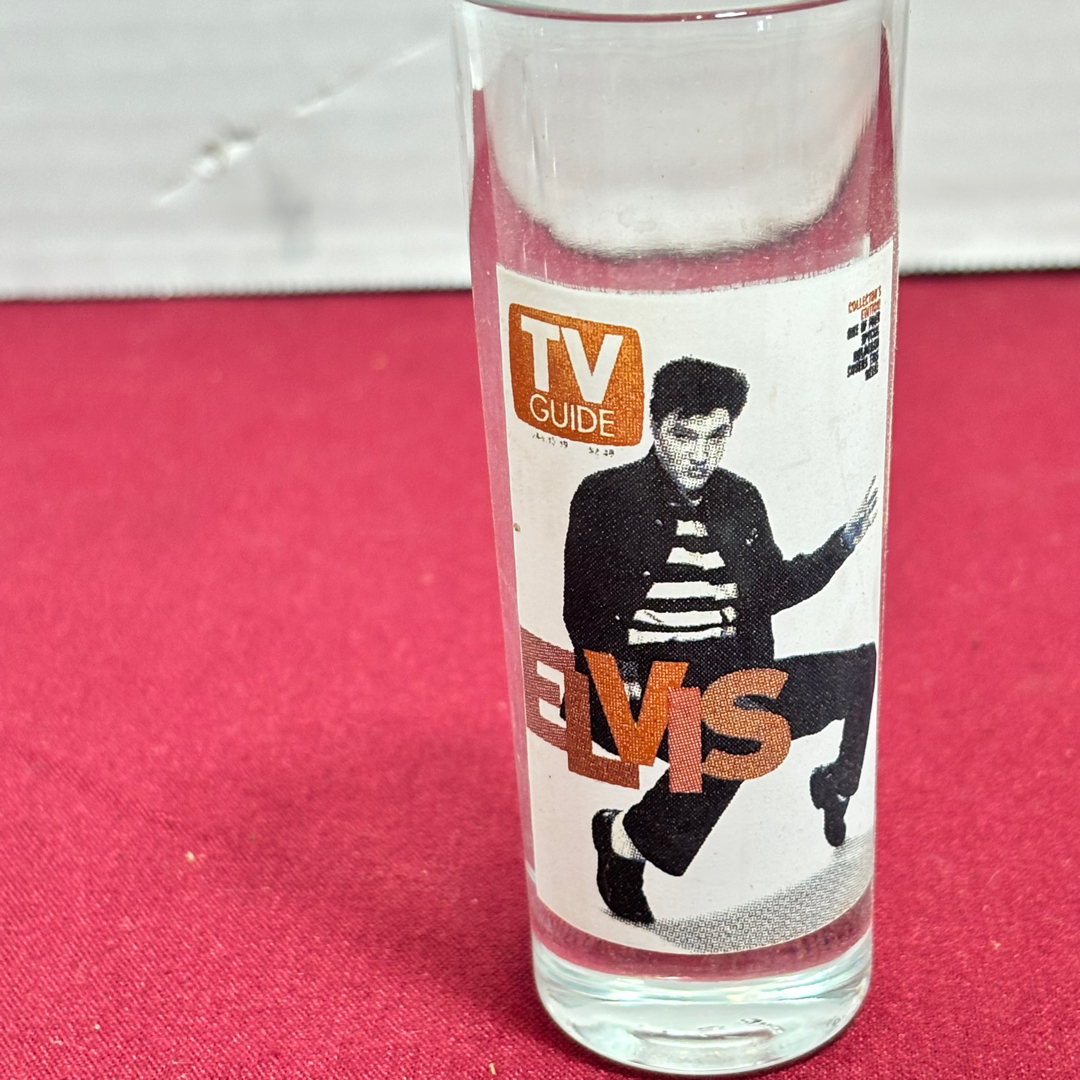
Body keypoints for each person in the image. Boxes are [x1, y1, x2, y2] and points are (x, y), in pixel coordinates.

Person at [563, 357, 879, 924]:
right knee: (741, 730)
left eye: (716, 437)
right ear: (656, 426)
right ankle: (624, 841)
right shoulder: (606, 495)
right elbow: (582, 608)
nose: (700, 454)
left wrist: (842, 543)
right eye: (685, 436)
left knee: (858, 667)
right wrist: (623, 679)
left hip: (733, 678)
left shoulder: (740, 498)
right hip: (641, 683)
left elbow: (772, 587)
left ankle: (837, 783)